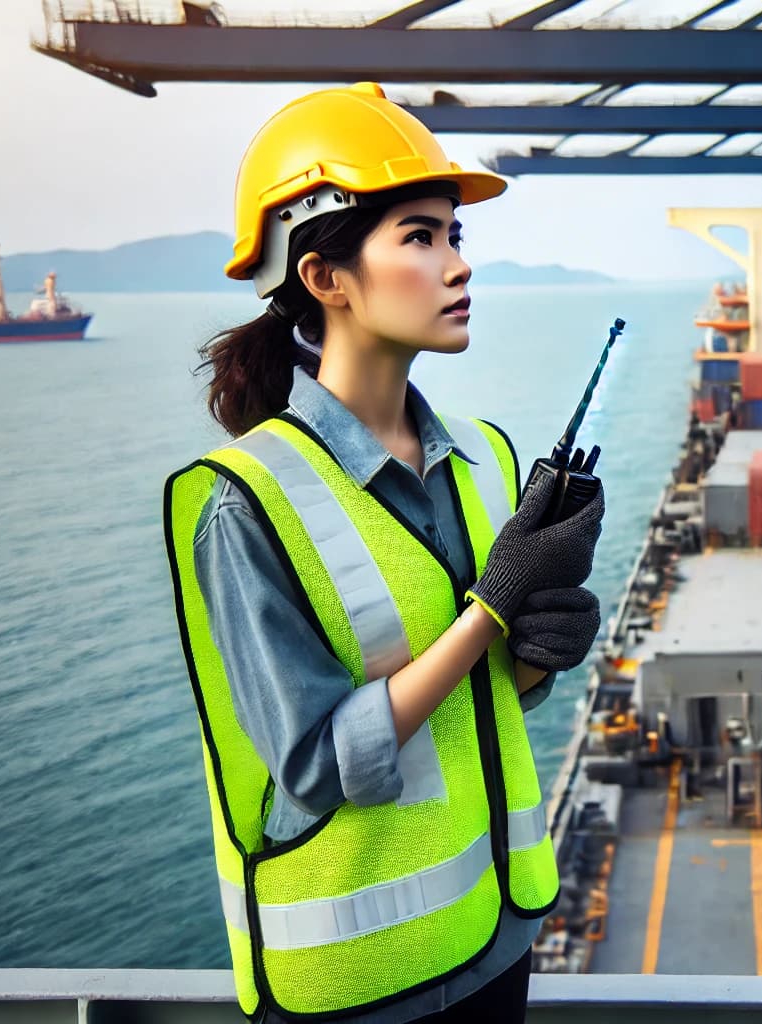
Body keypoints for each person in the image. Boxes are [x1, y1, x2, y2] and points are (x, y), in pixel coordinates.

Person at [160, 82, 605, 1023]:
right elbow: (318, 762)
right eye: (419, 237)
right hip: (356, 989)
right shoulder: (243, 502)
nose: (456, 265)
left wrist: (539, 648)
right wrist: (489, 609)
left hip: (497, 942)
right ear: (326, 278)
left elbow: (488, 697)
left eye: (455, 237)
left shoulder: (486, 457)